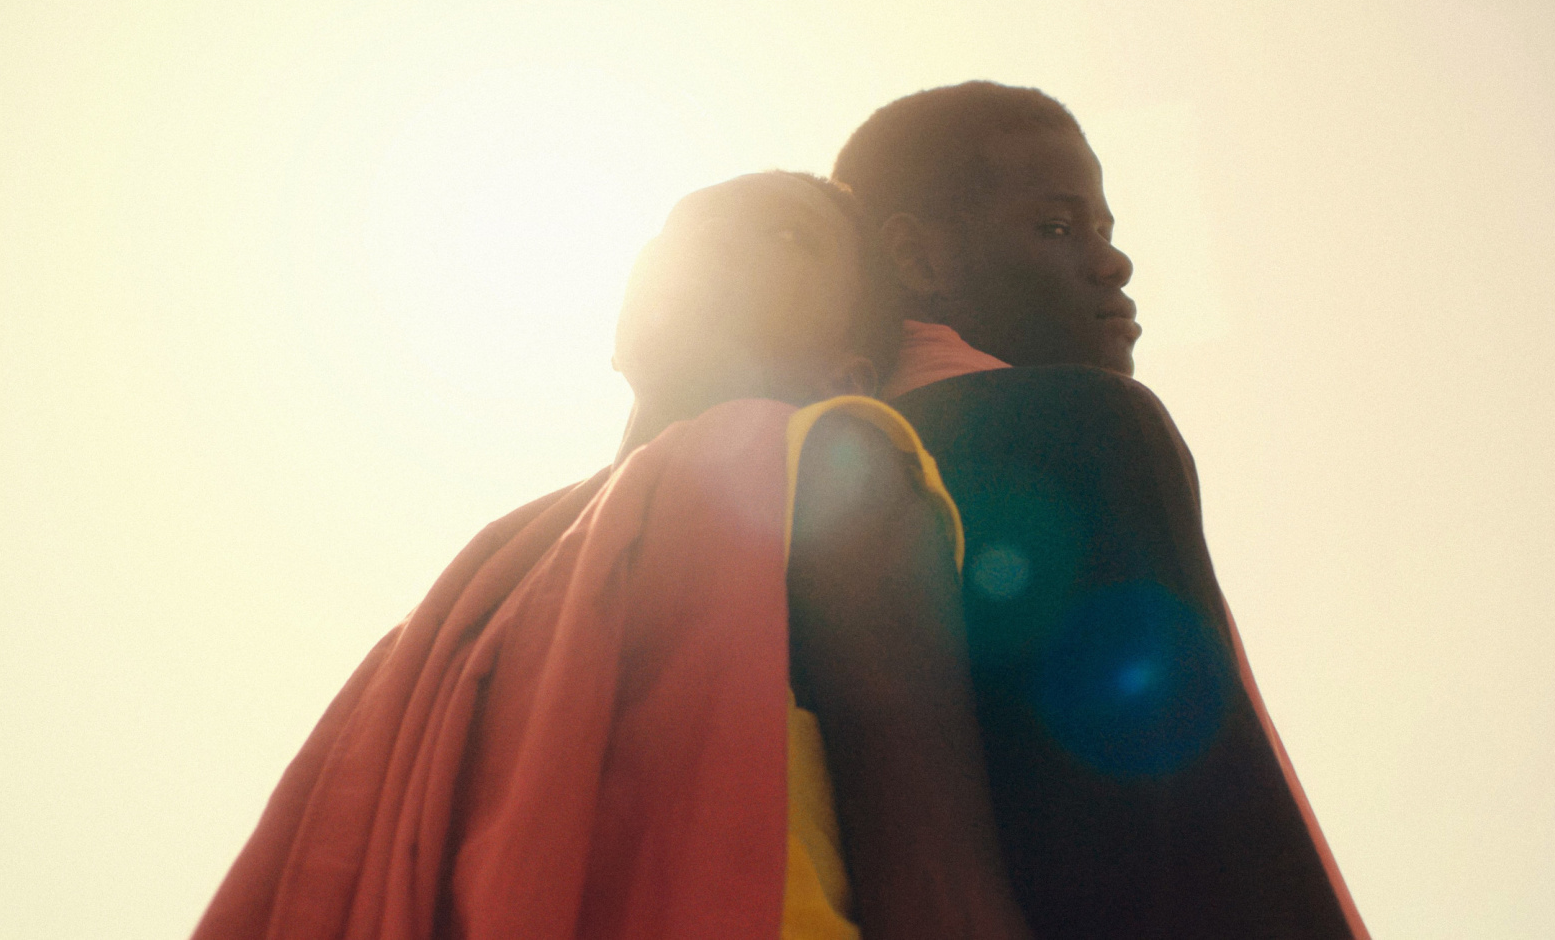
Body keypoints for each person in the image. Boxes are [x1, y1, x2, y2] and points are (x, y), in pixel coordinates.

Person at [191, 172, 1031, 940]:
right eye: (678, 234)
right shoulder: (483, 584)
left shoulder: (833, 466)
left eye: (785, 237)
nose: (708, 247)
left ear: (840, 371)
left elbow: (933, 868)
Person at [832, 81, 1372, 939]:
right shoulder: (1076, 425)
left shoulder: (813, 471)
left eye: (1105, 231)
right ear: (917, 259)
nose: (1112, 262)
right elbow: (1177, 812)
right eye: (1056, 226)